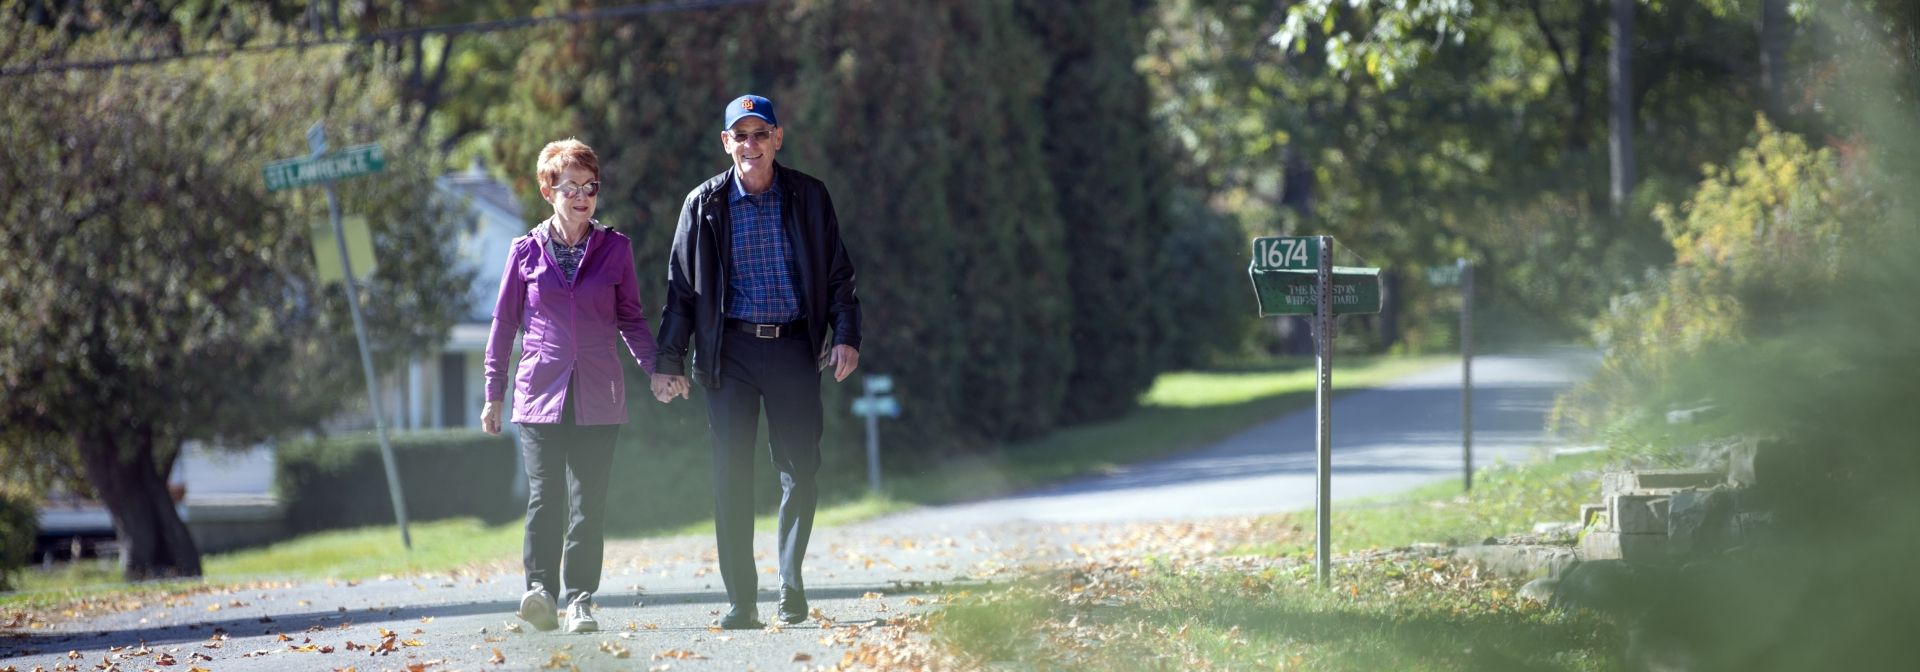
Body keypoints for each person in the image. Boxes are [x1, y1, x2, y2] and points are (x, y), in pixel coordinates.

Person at [653, 94, 863, 630]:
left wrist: (847, 334)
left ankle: (790, 584)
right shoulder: (703, 206)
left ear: (778, 138)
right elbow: (681, 289)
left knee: (801, 472)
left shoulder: (810, 197)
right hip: (731, 355)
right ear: (727, 143)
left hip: (795, 348)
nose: (751, 145)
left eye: (760, 134)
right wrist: (669, 359)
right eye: (740, 136)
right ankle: (741, 601)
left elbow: (840, 275)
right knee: (731, 476)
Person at [482, 138, 677, 634]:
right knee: (546, 498)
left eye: (590, 186)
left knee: (589, 502)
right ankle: (540, 591)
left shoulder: (616, 248)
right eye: (570, 186)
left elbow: (631, 319)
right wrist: (493, 393)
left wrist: (656, 368)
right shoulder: (524, 251)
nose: (582, 195)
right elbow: (504, 324)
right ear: (549, 190)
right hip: (538, 392)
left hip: (598, 392)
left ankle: (580, 600)